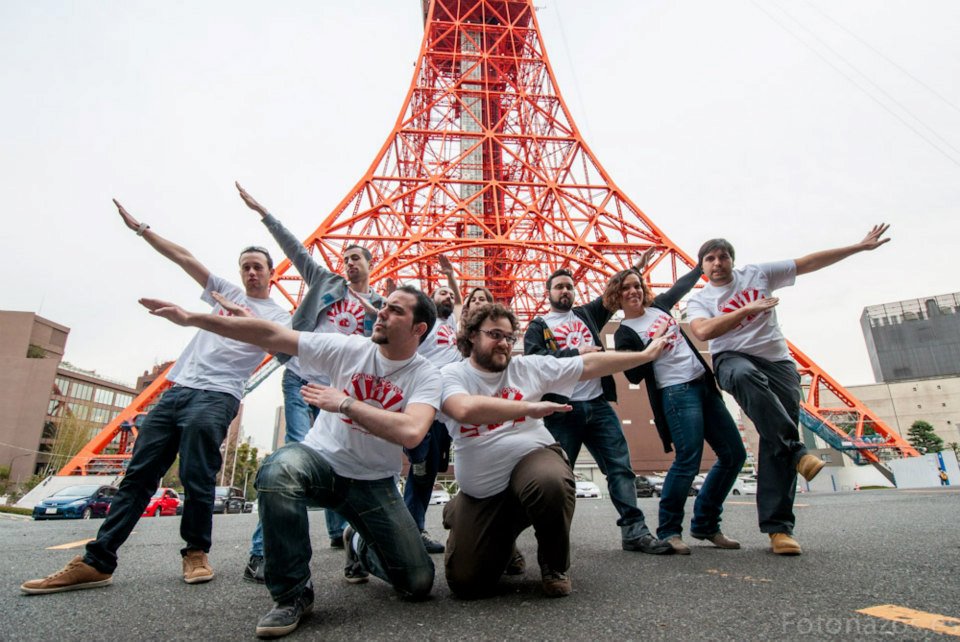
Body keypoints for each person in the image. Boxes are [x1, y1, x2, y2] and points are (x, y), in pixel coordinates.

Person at [139, 286, 441, 638]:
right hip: (320, 462)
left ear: (418, 328)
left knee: (418, 581)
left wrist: (344, 403)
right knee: (279, 471)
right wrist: (191, 318)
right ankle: (292, 594)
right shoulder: (349, 348)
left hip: (374, 481)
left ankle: (357, 544)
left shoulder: (426, 375)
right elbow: (272, 333)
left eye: (395, 311)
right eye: (383, 306)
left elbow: (412, 432)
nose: (382, 313)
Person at [21, 200, 289, 596]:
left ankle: (196, 552)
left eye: (258, 267)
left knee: (198, 476)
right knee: (138, 478)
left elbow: (280, 344)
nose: (251, 272)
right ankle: (98, 561)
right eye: (245, 266)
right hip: (177, 391)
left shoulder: (279, 316)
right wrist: (141, 228)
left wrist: (239, 314)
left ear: (271, 274)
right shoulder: (225, 292)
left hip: (217, 397)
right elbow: (184, 257)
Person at [686, 224, 891, 555]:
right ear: (703, 265)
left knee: (772, 440)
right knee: (745, 376)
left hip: (778, 362)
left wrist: (858, 247)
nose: (717, 263)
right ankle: (797, 451)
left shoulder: (757, 274)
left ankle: (779, 529)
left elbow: (807, 262)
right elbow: (703, 331)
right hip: (733, 360)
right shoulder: (701, 300)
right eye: (710, 258)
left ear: (732, 261)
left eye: (723, 256)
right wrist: (747, 310)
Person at [441, 303, 668, 599]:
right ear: (471, 335)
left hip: (531, 457)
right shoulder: (451, 374)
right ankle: (466, 516)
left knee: (549, 482)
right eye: (495, 334)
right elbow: (463, 408)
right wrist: (530, 407)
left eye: (510, 338)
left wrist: (646, 355)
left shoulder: (527, 367)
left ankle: (554, 565)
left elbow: (589, 365)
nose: (504, 344)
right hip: (483, 492)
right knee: (466, 584)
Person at [234, 184, 383, 582]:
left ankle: (339, 532)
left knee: (340, 458)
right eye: (345, 258)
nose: (349, 263)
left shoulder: (382, 306)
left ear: (372, 263)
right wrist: (265, 213)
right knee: (296, 460)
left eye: (356, 259)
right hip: (302, 380)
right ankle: (263, 554)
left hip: (339, 392)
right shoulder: (325, 281)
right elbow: (295, 250)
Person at [523, 264, 671, 554]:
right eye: (559, 287)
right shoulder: (538, 325)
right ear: (548, 293)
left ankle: (634, 531)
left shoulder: (586, 314)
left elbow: (612, 291)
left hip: (599, 405)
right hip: (562, 410)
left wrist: (636, 266)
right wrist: (576, 352)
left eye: (569, 286)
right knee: (559, 476)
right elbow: (534, 361)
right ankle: (553, 537)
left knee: (620, 468)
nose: (565, 290)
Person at [607, 264, 746, 554]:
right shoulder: (625, 333)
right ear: (616, 297)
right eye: (625, 288)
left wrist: (700, 265)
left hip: (702, 385)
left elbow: (680, 287)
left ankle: (706, 523)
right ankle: (669, 530)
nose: (633, 291)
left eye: (636, 285)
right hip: (675, 392)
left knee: (734, 454)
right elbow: (632, 375)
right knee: (688, 459)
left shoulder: (659, 307)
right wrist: (650, 351)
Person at [402, 255, 463, 554]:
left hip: (444, 411)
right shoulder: (424, 323)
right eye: (442, 293)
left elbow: (461, 300)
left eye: (450, 295)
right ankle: (409, 529)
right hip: (422, 402)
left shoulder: (452, 322)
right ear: (430, 298)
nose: (448, 297)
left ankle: (413, 528)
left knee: (428, 472)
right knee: (421, 467)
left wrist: (451, 278)